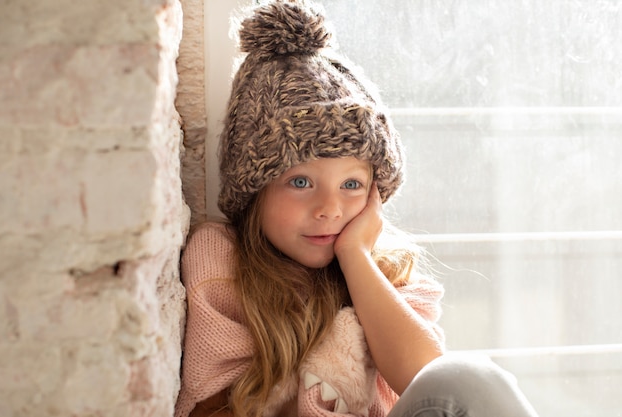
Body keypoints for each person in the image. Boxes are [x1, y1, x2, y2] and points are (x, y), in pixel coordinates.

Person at [175, 1, 540, 417]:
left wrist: (356, 257)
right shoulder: (222, 257)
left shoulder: (384, 272)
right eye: (300, 182)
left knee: (470, 377)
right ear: (253, 190)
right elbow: (209, 407)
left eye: (352, 185)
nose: (329, 208)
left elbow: (428, 379)